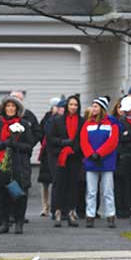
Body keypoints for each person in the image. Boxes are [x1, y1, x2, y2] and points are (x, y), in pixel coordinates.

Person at [0, 96, 35, 234]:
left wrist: (16, 145)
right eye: (8, 106)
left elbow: (29, 146)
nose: (10, 109)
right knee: (0, 193)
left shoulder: (24, 124)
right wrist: (4, 144)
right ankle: (4, 222)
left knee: (19, 193)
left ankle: (19, 222)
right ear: (3, 108)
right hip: (1, 163)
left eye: (13, 106)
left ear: (17, 109)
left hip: (19, 164)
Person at [80, 96, 119, 228]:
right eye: (93, 106)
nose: (93, 109)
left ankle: (110, 215)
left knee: (108, 191)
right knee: (91, 191)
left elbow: (113, 141)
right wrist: (91, 154)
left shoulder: (111, 123)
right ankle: (90, 215)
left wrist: (100, 153)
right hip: (91, 161)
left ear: (102, 108)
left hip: (106, 162)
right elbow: (83, 140)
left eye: (96, 106)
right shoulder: (87, 124)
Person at [49, 94, 84, 227]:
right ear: (67, 106)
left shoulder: (81, 121)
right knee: (59, 184)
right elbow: (51, 138)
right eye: (71, 104)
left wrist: (75, 148)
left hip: (75, 156)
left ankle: (70, 212)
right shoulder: (57, 120)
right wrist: (64, 143)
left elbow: (83, 138)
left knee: (73, 185)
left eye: (75, 105)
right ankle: (58, 211)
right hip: (60, 156)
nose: (73, 107)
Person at [112, 96, 131, 223]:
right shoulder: (121, 121)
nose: (126, 112)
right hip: (125, 156)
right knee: (125, 184)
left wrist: (129, 134)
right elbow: (120, 137)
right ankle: (126, 208)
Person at [37, 97, 61, 217]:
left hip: (57, 153)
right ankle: (45, 206)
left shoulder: (62, 119)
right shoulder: (46, 119)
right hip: (46, 154)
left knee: (57, 182)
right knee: (45, 182)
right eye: (55, 106)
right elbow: (41, 134)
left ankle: (57, 206)